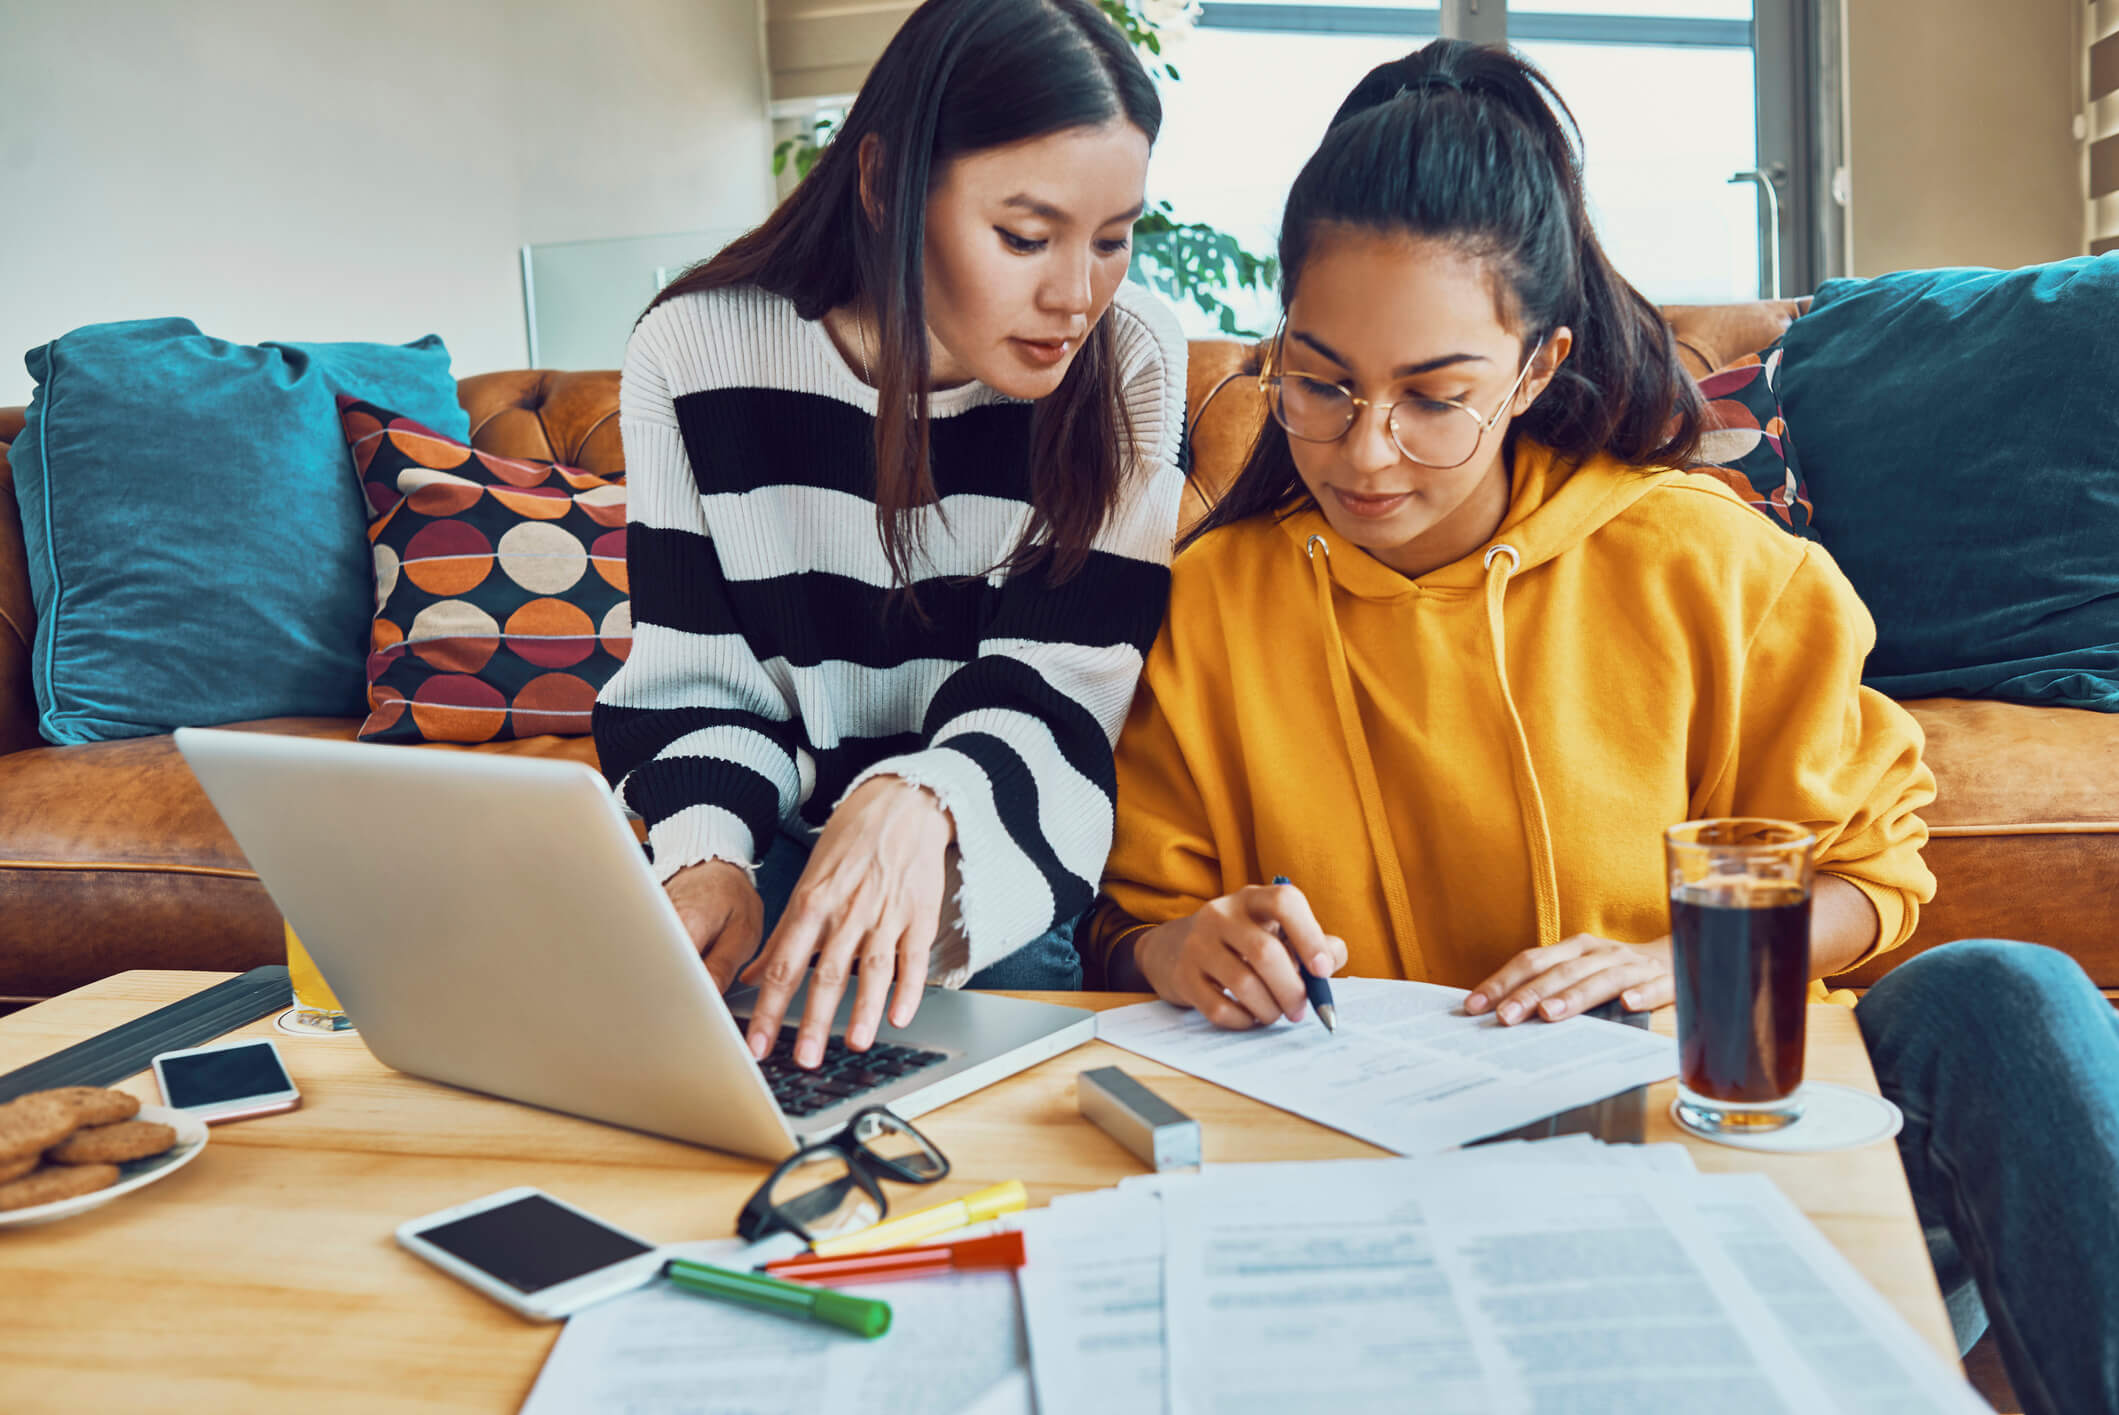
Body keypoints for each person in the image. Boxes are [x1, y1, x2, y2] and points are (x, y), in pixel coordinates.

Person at [1088, 41, 2119, 1413]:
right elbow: (1130, 920)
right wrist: (1184, 941)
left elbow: (1870, 882)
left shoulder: (1712, 567)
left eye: (1432, 394)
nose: (1364, 448)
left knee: (2006, 992)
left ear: (1533, 366)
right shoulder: (1213, 599)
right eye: (1319, 380)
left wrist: (1671, 957)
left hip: (1704, 1145)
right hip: (1365, 1192)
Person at [595, 0, 1187, 1073]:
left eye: (1112, 238)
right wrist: (706, 858)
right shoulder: (693, 348)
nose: (1076, 294)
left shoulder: (1129, 361)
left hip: (987, 862)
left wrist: (920, 796)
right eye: (1025, 235)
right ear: (882, 185)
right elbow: (698, 679)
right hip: (775, 844)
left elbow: (1065, 687)